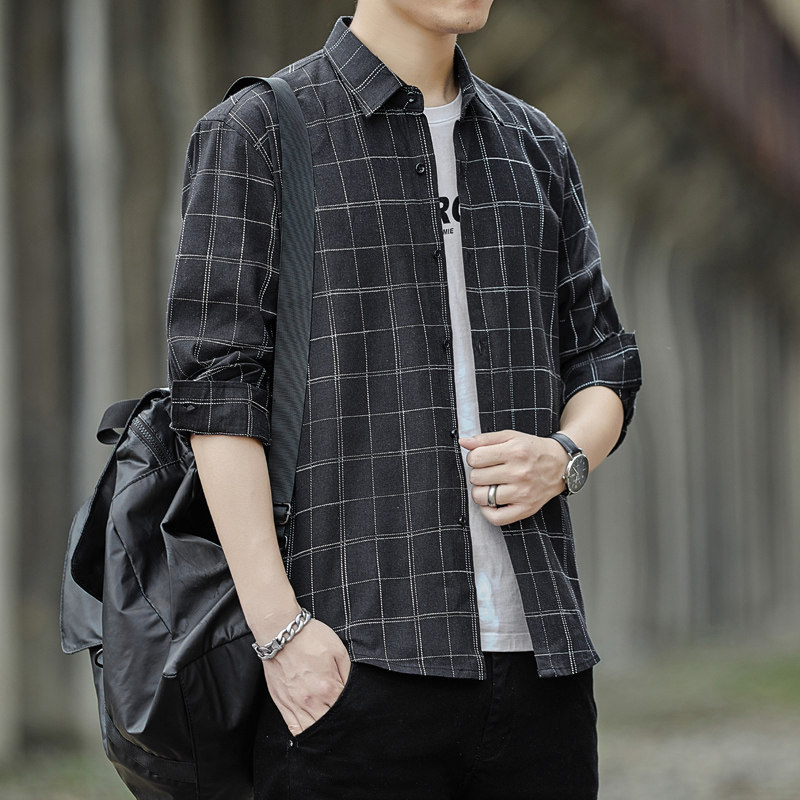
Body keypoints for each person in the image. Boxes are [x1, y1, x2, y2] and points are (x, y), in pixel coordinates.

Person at [166, 1, 642, 797]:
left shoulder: (535, 145)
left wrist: (564, 457)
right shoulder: (259, 132)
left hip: (541, 669)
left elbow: (603, 356)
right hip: (349, 663)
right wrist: (281, 634)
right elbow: (217, 393)